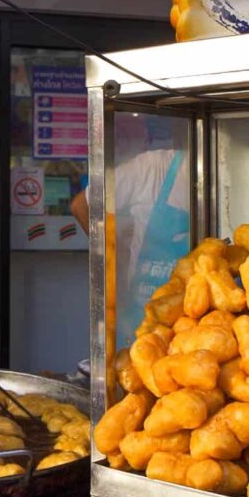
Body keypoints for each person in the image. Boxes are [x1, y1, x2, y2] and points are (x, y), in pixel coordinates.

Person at [71, 146, 190, 347]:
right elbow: (83, 205)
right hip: (141, 317)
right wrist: (114, 261)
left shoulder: (231, 173)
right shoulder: (152, 168)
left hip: (198, 326)